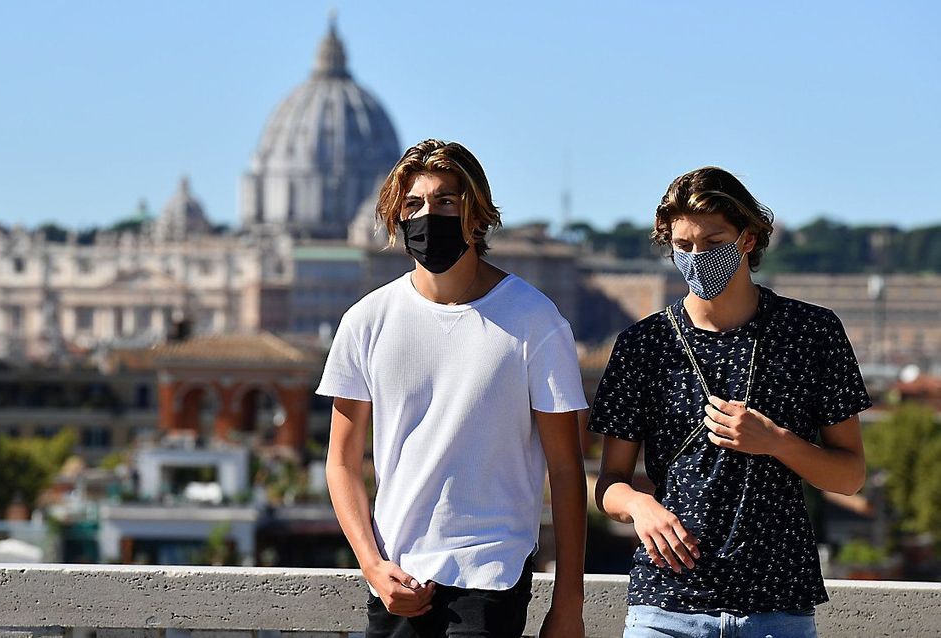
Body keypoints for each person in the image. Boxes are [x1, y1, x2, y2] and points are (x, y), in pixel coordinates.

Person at [319, 139, 587, 638]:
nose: (428, 215)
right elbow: (340, 460)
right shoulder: (365, 321)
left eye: (446, 201)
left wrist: (569, 604)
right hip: (396, 576)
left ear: (476, 212)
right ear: (396, 216)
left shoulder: (535, 320)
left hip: (492, 574)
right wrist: (372, 566)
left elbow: (567, 469)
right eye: (414, 204)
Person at [588, 167, 871, 638]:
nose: (698, 257)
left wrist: (777, 442)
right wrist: (640, 506)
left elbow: (851, 476)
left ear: (748, 238)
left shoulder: (813, 333)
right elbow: (609, 484)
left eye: (713, 241)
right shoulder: (643, 345)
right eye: (683, 246)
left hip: (777, 608)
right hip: (665, 606)